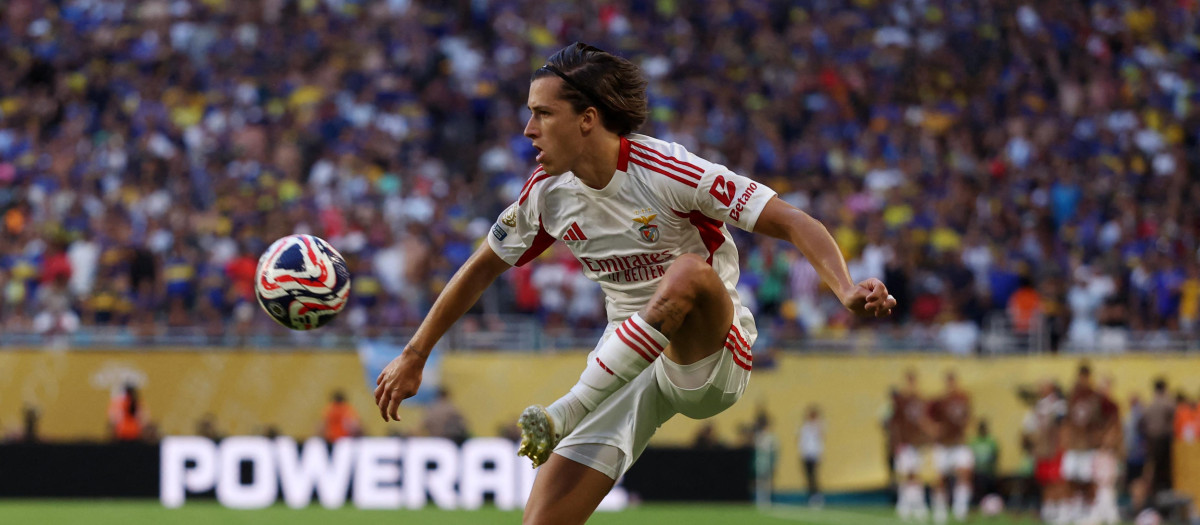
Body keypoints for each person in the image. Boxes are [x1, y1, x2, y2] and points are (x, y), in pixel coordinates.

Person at [373, 42, 897, 524]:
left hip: (707, 355)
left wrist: (845, 289)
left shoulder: (667, 169)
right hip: (625, 360)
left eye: (542, 113)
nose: (528, 129)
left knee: (689, 271)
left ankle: (566, 410)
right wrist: (416, 353)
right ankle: (575, 412)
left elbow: (789, 218)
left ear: (587, 119)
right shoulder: (547, 195)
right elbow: (483, 265)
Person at [929, 370, 973, 523]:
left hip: (959, 443)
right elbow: (927, 418)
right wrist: (935, 429)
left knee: (965, 473)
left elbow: (968, 417)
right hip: (943, 445)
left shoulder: (963, 398)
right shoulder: (939, 401)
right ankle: (940, 510)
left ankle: (960, 509)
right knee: (940, 479)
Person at [890, 370, 933, 521]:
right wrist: (897, 443)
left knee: (914, 474)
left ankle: (916, 505)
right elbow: (896, 424)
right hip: (905, 443)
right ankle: (906, 505)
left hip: (917, 443)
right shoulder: (901, 401)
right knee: (907, 474)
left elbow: (925, 422)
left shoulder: (921, 400)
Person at [799, 405, 825, 507]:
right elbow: (802, 441)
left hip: (814, 454)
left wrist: (819, 455)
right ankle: (811, 496)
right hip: (806, 454)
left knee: (814, 476)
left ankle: (817, 497)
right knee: (809, 477)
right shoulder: (805, 426)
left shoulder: (818, 426)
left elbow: (820, 441)